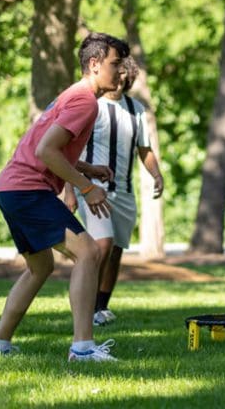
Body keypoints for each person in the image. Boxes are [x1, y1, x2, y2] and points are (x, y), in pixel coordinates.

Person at [0, 32, 130, 363]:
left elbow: (49, 147)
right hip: (28, 188)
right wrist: (88, 188)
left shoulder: (71, 96)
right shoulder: (84, 101)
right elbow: (46, 150)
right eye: (114, 64)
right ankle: (82, 348)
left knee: (40, 267)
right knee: (89, 252)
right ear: (94, 64)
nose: (120, 72)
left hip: (9, 188)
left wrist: (86, 168)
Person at [63, 55, 164, 327]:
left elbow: (145, 150)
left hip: (125, 192)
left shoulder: (136, 109)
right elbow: (66, 151)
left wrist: (156, 175)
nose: (119, 78)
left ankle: (101, 306)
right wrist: (70, 190)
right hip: (92, 188)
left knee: (116, 249)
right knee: (102, 244)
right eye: (116, 72)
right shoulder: (89, 105)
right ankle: (87, 306)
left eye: (124, 74)